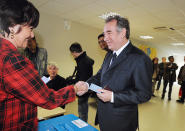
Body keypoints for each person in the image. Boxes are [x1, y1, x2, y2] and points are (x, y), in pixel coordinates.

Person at [0, 0, 87, 130]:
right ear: (13, 26)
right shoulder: (13, 60)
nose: (32, 34)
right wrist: (73, 89)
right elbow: (48, 99)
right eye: (30, 28)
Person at [77, 15, 152, 131]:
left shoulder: (140, 58)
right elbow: (99, 77)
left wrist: (113, 97)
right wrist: (87, 85)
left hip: (122, 123)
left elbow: (144, 94)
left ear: (122, 33)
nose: (105, 38)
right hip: (103, 117)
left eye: (108, 33)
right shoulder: (109, 54)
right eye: (104, 33)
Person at [69, 42, 94, 122]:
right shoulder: (85, 58)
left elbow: (82, 78)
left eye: (72, 54)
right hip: (86, 87)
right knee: (83, 110)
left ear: (74, 52)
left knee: (82, 111)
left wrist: (72, 81)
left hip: (83, 89)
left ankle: (82, 126)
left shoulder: (82, 61)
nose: (73, 55)